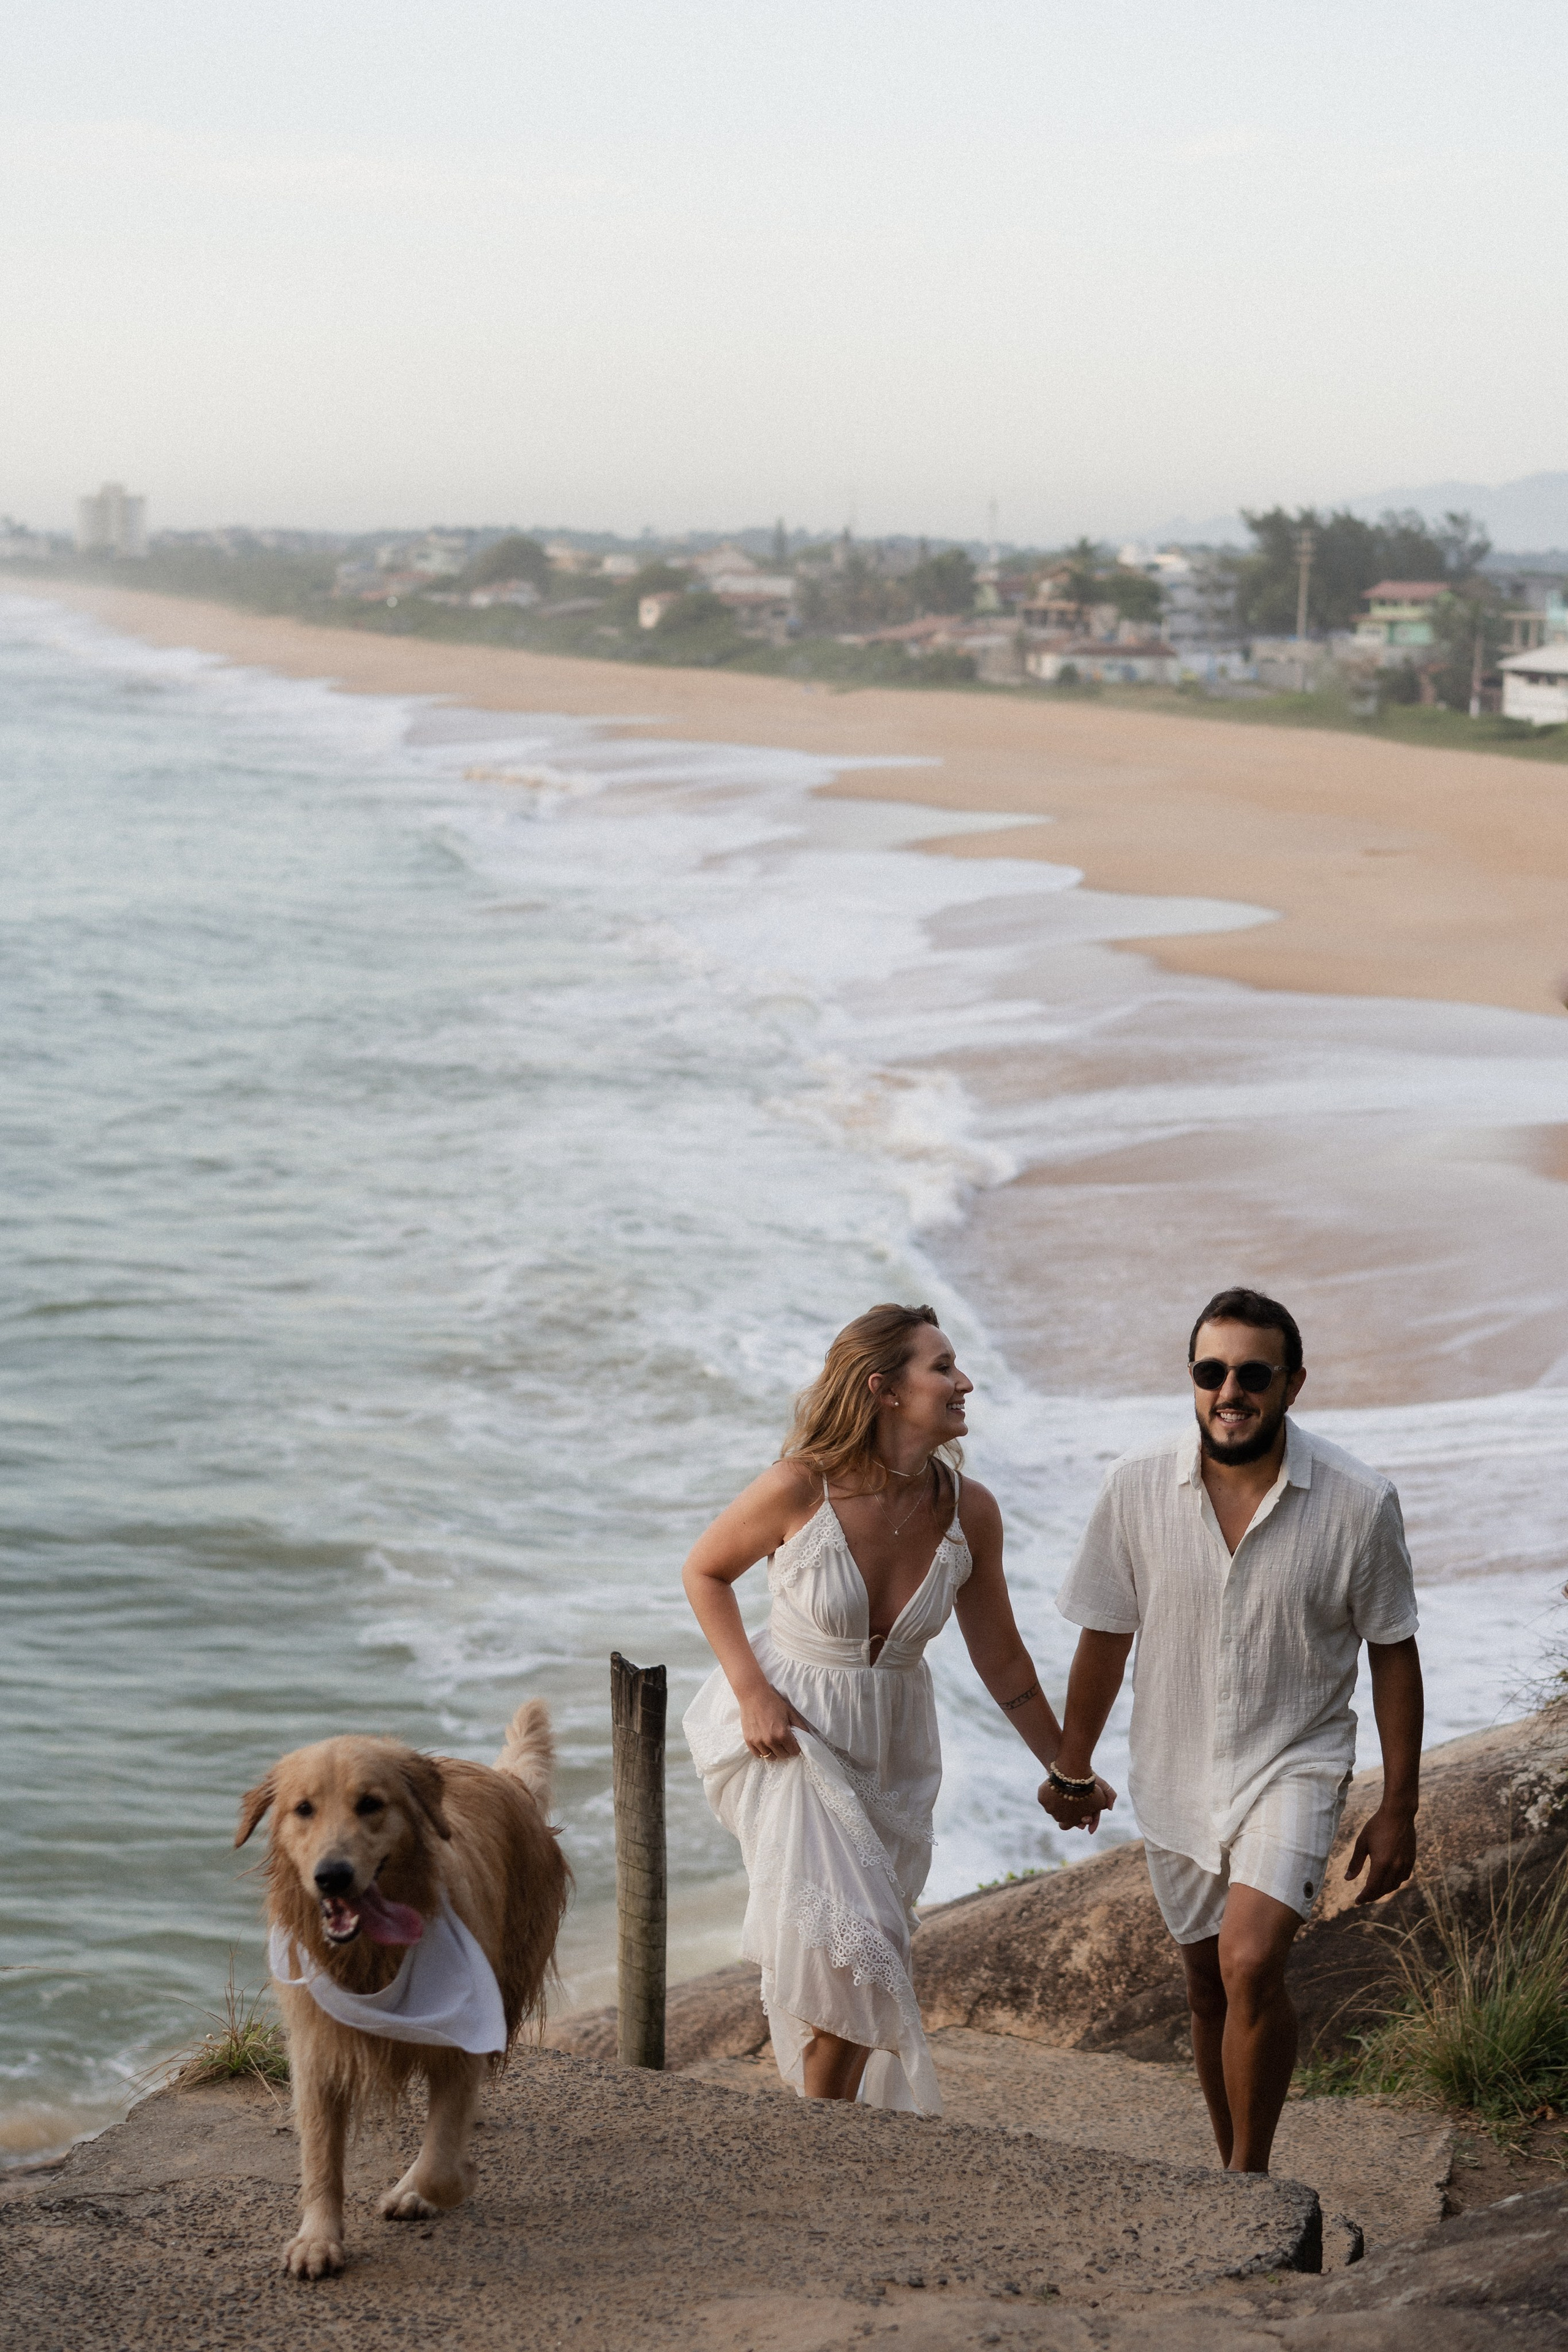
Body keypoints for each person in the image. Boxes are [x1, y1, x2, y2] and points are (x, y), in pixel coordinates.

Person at [682, 1303, 1107, 2114]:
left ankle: (819, 2119)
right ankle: (826, 2129)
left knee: (851, 1947)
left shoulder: (968, 1509)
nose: (965, 1382)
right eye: (943, 1367)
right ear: (884, 1389)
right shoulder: (798, 1487)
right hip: (794, 1735)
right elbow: (704, 1572)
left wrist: (1068, 1770)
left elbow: (1004, 1659)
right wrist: (750, 1692)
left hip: (896, 1747)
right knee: (861, 1941)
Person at [1041, 1287, 1423, 2174]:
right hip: (1173, 1772)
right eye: (1212, 1372)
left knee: (1251, 1962)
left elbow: (1393, 1653)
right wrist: (1069, 1768)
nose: (1230, 1391)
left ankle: (1254, 2184)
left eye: (1254, 1374)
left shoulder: (1360, 1503)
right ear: (1192, 1378)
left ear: (1292, 1384)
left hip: (1296, 1762)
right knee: (1207, 1986)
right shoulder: (1134, 1486)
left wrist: (1399, 1804)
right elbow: (1106, 1634)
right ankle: (1229, 2176)